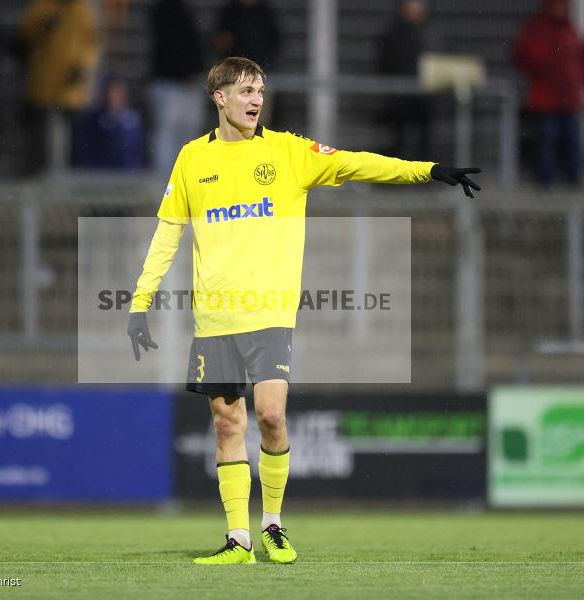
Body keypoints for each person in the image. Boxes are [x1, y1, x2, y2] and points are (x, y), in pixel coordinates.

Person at [126, 57, 480, 565]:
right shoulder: (190, 160)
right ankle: (238, 540)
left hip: (270, 312)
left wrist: (427, 171)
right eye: (245, 90)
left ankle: (271, 523)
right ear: (219, 97)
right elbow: (166, 235)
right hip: (216, 318)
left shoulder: (290, 152)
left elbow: (358, 162)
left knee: (270, 415)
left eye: (260, 91)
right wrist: (140, 302)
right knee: (228, 427)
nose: (255, 100)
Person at [17, 0, 101, 174]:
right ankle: (39, 178)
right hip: (42, 87)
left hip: (70, 90)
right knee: (40, 142)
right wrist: (43, 26)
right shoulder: (42, 7)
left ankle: (68, 181)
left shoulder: (82, 11)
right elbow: (23, 37)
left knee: (71, 143)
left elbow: (91, 44)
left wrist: (82, 66)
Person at [512, 0, 584, 187]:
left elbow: (578, 63)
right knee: (547, 148)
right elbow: (526, 57)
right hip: (547, 101)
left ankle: (571, 187)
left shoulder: (569, 29)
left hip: (568, 100)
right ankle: (545, 189)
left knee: (572, 148)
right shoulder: (539, 29)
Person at [148, 0, 205, 177]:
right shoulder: (164, 12)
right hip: (169, 83)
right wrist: (186, 70)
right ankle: (164, 182)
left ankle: (185, 181)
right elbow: (170, 47)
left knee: (187, 134)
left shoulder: (183, 12)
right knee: (167, 134)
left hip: (186, 83)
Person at [377, 0, 435, 160]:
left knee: (424, 141)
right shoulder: (393, 34)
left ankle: (425, 176)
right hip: (399, 98)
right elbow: (386, 64)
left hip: (422, 98)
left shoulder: (428, 33)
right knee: (398, 140)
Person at [72, 77, 144, 169]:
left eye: (119, 94)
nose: (115, 97)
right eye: (112, 93)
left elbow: (137, 150)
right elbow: (87, 148)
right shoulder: (93, 119)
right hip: (100, 171)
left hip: (129, 171)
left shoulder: (134, 119)